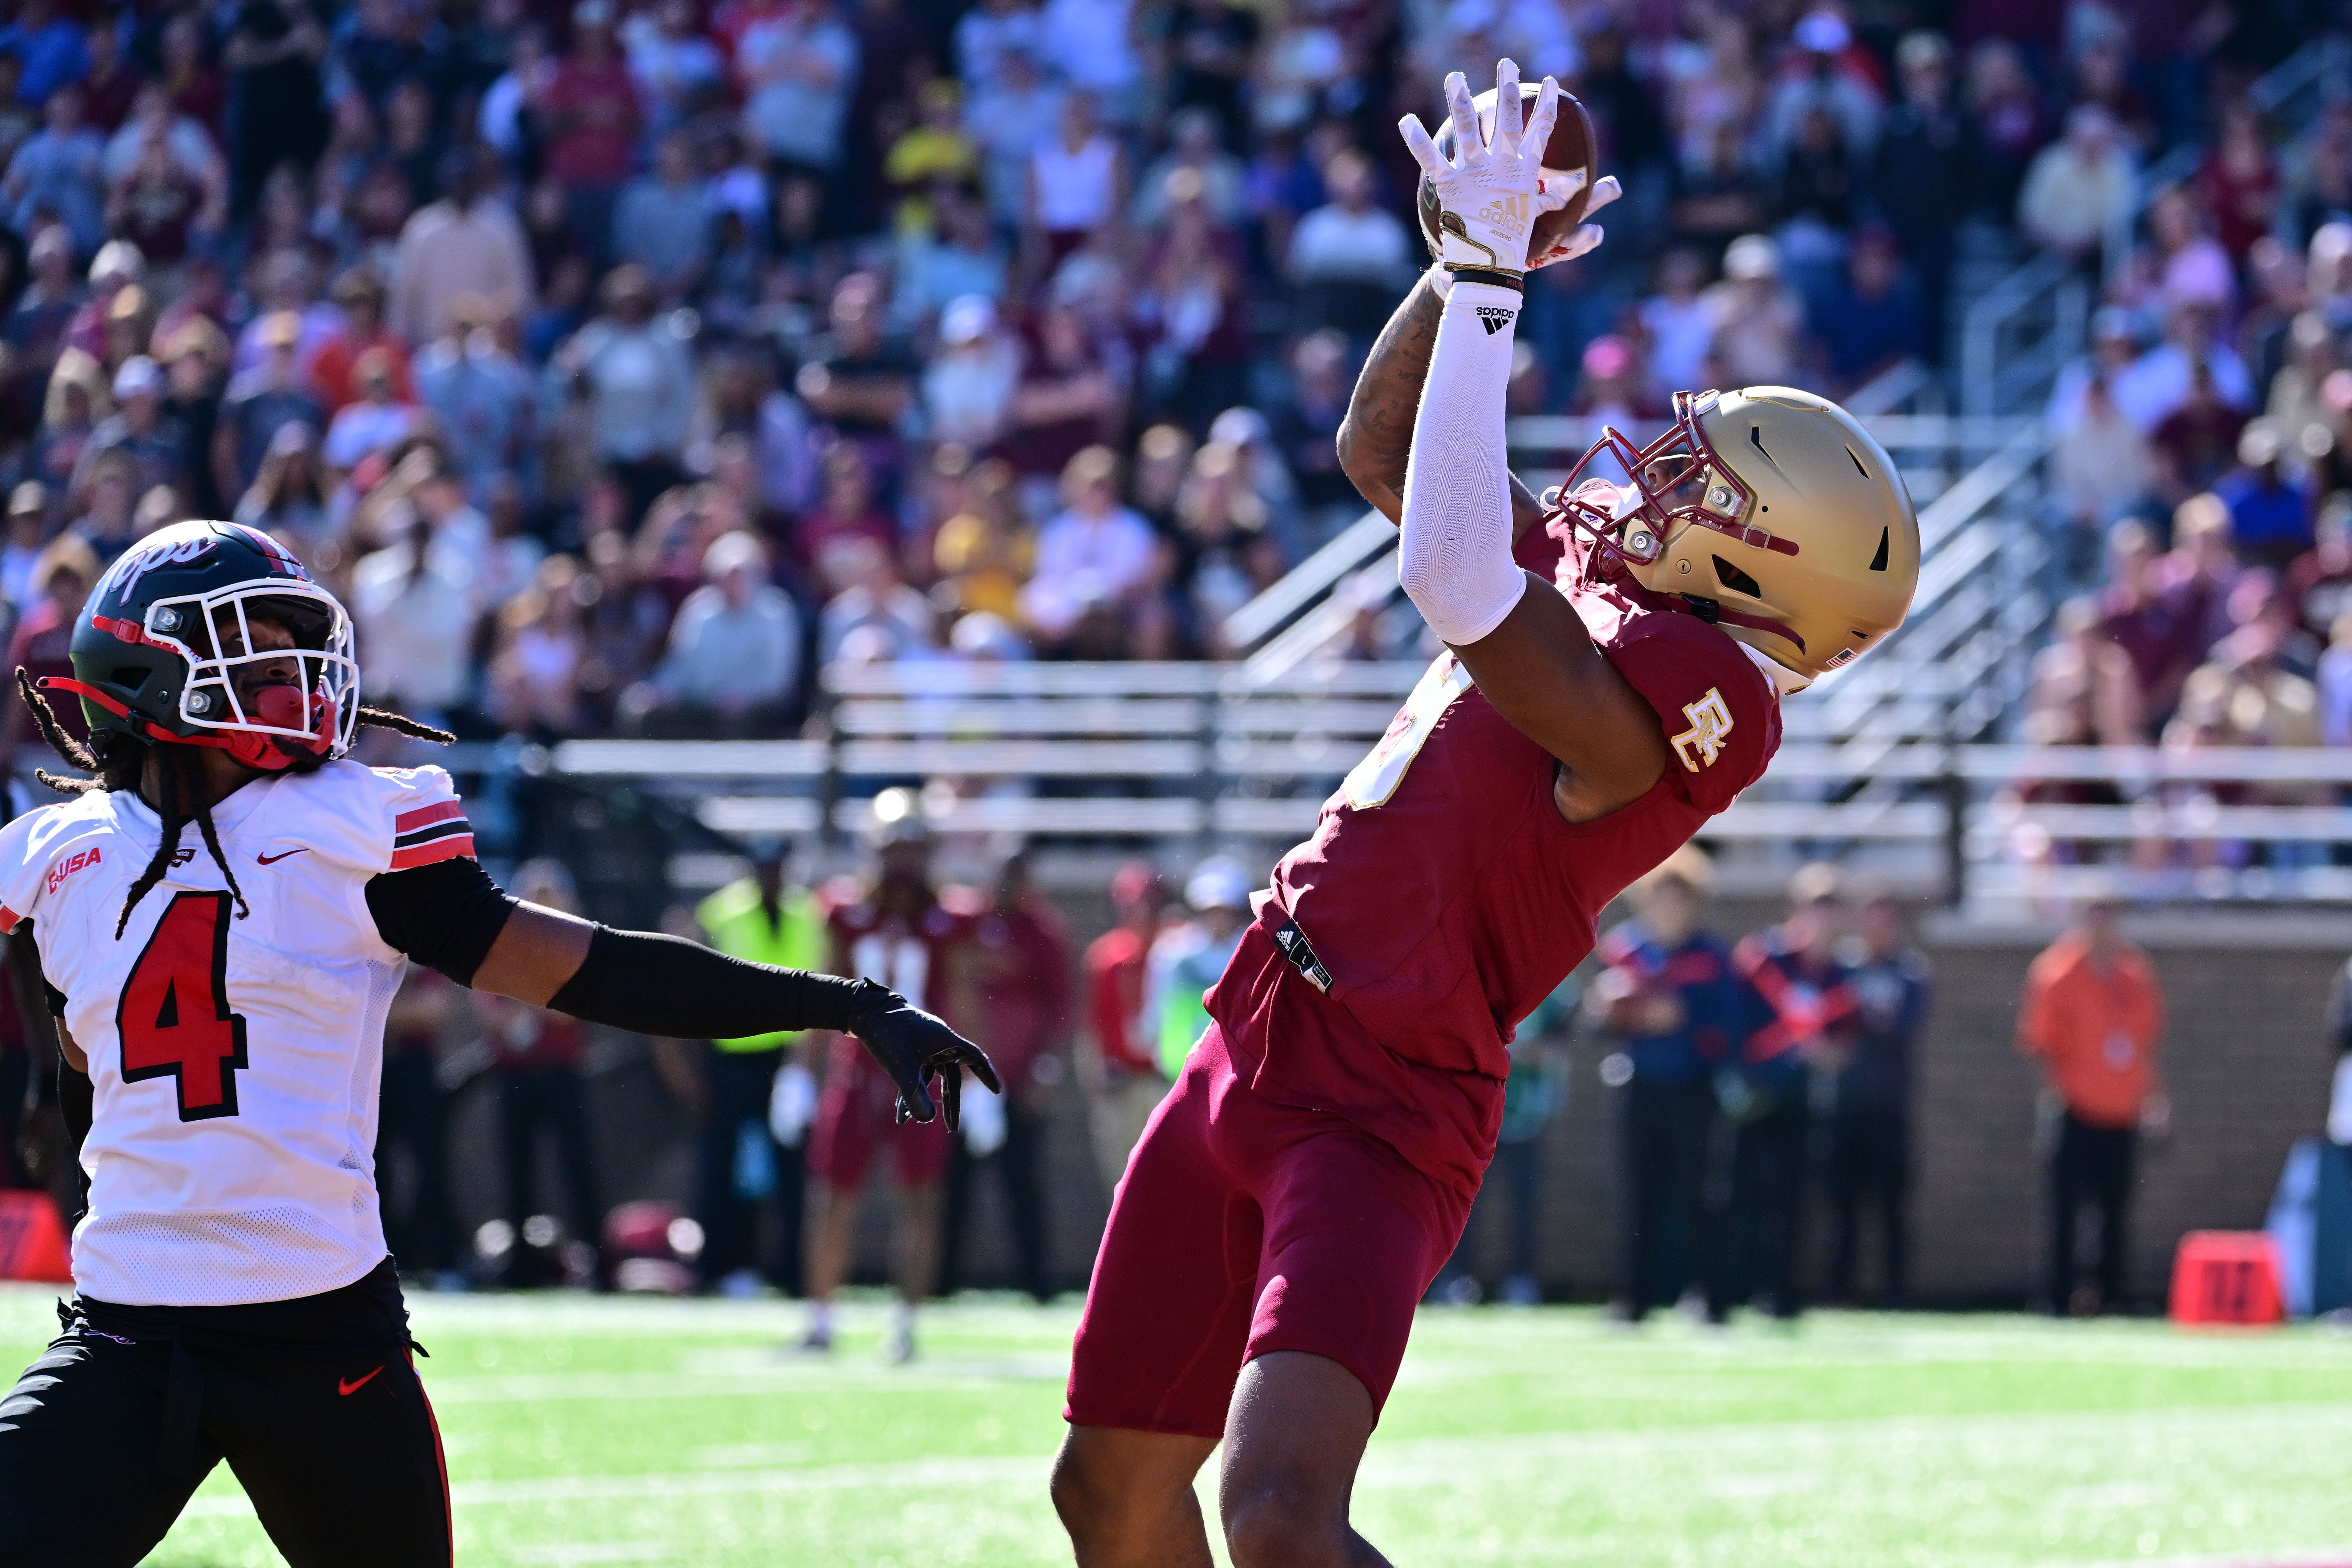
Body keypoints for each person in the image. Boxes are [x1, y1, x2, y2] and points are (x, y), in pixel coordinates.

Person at [1050, 64, 1919, 1568]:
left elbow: (1455, 577)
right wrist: (1456, 264)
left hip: (1383, 1096)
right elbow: (1385, 456)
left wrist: (1491, 289)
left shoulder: (1703, 687)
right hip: (1258, 1015)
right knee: (1108, 1490)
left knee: (1276, 1515)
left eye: (1690, 472)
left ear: (1763, 562)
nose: (1647, 468)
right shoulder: (1619, 591)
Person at [0, 521, 995, 1565]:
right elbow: (73, 1028)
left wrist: (842, 1002)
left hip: (319, 1338)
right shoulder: (56, 855)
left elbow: (598, 968)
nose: (294, 667)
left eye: (298, 637)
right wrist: (58, 1105)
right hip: (126, 1330)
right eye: (256, 636)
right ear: (146, 667)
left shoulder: (351, 826)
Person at [802, 791, 982, 1362]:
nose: (903, 863)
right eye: (895, 849)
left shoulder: (948, 919)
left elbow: (966, 999)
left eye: (912, 849)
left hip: (922, 1077)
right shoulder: (845, 911)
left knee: (920, 1199)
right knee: (832, 1195)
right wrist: (801, 1073)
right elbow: (816, 994)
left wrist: (973, 1079)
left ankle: (905, 1321)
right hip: (856, 1074)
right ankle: (822, 1317)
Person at [1587, 845, 1740, 1322]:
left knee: (1700, 1193)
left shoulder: (1711, 955)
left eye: (1679, 897)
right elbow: (1594, 1020)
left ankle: (1708, 1297)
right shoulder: (1625, 948)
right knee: (1639, 1194)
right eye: (1661, 896)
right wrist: (1609, 1008)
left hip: (1694, 1085)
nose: (1669, 907)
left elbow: (1731, 1025)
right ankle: (1634, 1298)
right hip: (1641, 1084)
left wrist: (1682, 1018)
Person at [1719, 863, 1857, 1323]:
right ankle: (1724, 1294)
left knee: (1794, 1202)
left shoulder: (1839, 975)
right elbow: (1734, 1024)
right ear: (1794, 909)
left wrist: (1824, 1052)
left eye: (1830, 907)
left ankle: (1779, 1295)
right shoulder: (1764, 959)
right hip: (1753, 1098)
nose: (1821, 916)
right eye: (1813, 905)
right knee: (1738, 1196)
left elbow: (1844, 1046)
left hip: (1802, 1101)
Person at [2018, 899, 2168, 1316]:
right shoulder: (2057, 973)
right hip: (2074, 1107)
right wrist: (2057, 1093)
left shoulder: (2134, 974)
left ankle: (2111, 1294)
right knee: (2064, 1209)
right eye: (2093, 916)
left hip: (2121, 1110)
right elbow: (2041, 1043)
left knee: (2115, 1210)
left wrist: (2152, 1096)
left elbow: (2142, 1044)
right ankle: (2057, 1295)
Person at [692, 837, 823, 1296]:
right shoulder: (719, 913)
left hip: (785, 1059)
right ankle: (719, 1268)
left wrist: (803, 1069)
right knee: (721, 1169)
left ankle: (792, 1272)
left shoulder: (809, 913)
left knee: (792, 1173)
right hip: (732, 1057)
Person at [942, 846, 1070, 1304]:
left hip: (1017, 1081)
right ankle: (940, 1281)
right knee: (952, 1183)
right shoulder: (963, 922)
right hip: (965, 1080)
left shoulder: (1042, 931)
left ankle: (1037, 1282)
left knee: (1022, 1184)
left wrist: (1044, 1069)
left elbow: (1059, 1007)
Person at [475, 859, 605, 1287]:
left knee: (579, 1168)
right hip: (515, 1074)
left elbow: (572, 1012)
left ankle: (600, 1263)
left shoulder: (576, 943)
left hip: (562, 1071)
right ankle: (519, 1267)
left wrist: (528, 1002)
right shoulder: (501, 947)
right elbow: (495, 1016)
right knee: (516, 1171)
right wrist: (541, 999)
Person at [1828, 891, 1929, 1308]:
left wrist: (1861, 1026)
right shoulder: (1840, 969)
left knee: (1891, 1208)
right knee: (1841, 1208)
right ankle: (1839, 1290)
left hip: (1890, 1105)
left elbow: (1898, 1029)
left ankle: (1894, 1291)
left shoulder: (1910, 973)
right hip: (1843, 1106)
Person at [1077, 859, 1165, 1192]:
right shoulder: (1105, 956)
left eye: (1146, 904)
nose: (1140, 913)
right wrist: (1095, 1078)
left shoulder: (1174, 949)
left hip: (1165, 1080)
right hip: (1122, 1082)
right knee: (1122, 1180)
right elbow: (1092, 1026)